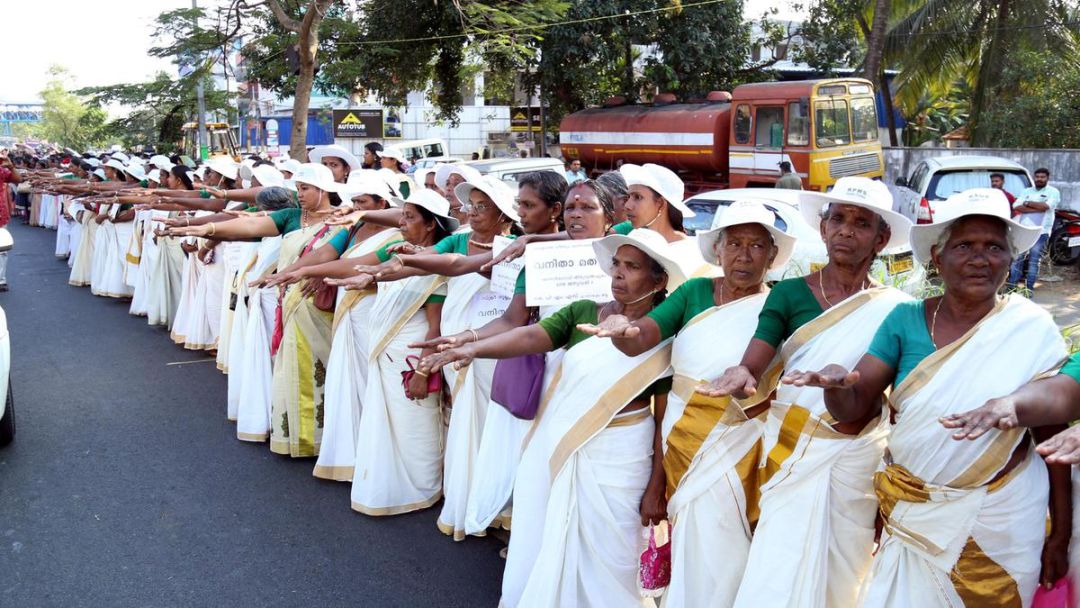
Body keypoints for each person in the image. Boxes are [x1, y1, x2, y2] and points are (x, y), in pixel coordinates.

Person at [786, 188, 1070, 606]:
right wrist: (836, 387)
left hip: (1004, 521)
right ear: (938, 257)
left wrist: (1060, 534)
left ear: (1010, 259)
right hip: (912, 512)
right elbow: (853, 405)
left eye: (994, 247)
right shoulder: (904, 320)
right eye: (964, 246)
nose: (980, 258)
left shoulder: (1029, 327)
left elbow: (1053, 438)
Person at [422, 229, 686, 607]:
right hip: (561, 442)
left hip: (623, 454)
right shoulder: (584, 311)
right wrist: (472, 347)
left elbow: (664, 420)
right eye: (616, 264)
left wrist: (657, 487)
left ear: (658, 281)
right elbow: (532, 337)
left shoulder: (665, 335)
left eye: (632, 267)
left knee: (613, 552)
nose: (618, 273)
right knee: (552, 532)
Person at [698, 176, 913, 607]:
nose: (846, 231)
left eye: (861, 223)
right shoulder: (791, 294)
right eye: (838, 219)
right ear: (823, 227)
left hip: (857, 462)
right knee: (776, 572)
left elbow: (902, 397)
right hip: (793, 452)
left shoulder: (897, 309)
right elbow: (757, 352)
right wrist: (742, 372)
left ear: (881, 238)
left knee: (843, 577)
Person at [579, 200, 797, 607]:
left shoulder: (781, 303)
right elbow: (645, 333)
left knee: (726, 544)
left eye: (756, 246)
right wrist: (624, 330)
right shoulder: (694, 292)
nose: (743, 256)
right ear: (718, 249)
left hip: (741, 443)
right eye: (734, 244)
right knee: (687, 538)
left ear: (771, 256)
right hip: (680, 437)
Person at [169, 163, 345, 457]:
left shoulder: (344, 219)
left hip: (323, 304)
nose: (299, 194)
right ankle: (300, 437)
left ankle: (329, 438)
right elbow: (250, 226)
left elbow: (341, 256)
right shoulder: (291, 216)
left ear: (323, 189)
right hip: (290, 299)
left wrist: (320, 272)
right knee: (290, 366)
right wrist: (207, 229)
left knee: (327, 370)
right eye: (298, 188)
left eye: (305, 188)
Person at [325, 191, 459, 515]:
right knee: (386, 423)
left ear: (431, 225)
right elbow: (381, 279)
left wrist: (423, 372)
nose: (402, 223)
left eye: (410, 218)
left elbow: (435, 327)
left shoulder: (436, 267)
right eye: (402, 216)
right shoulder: (398, 254)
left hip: (411, 357)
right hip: (387, 352)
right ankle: (388, 486)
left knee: (416, 426)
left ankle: (424, 489)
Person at [1007, 167, 1059, 292]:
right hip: (1024, 230)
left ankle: (1028, 289)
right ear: (1034, 178)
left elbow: (1046, 206)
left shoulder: (1053, 192)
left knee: (1033, 261)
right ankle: (1011, 287)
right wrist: (1037, 207)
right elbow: (1016, 206)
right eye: (1037, 177)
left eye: (1042, 177)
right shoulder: (1026, 191)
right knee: (1017, 259)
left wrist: (1027, 203)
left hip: (1041, 232)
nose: (1039, 179)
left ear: (1047, 178)